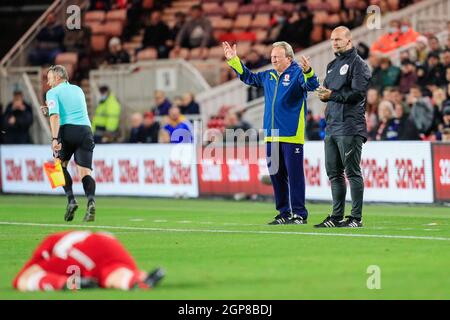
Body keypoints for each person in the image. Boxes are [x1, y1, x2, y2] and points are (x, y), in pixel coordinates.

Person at [223, 40, 319, 225]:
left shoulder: (298, 73)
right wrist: (234, 60)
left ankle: (299, 214)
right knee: (276, 175)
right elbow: (248, 77)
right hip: (271, 134)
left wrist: (309, 72)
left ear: (289, 58)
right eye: (272, 56)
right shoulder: (269, 76)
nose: (273, 60)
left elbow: (312, 86)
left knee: (295, 175)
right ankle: (284, 213)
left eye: (277, 57)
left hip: (291, 134)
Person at [315, 26, 371, 228]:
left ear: (349, 40)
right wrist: (324, 96)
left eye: (338, 39)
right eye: (332, 39)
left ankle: (356, 218)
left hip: (350, 126)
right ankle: (336, 216)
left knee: (352, 172)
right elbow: (331, 94)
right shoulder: (331, 65)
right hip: (332, 126)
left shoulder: (359, 65)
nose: (334, 43)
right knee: (334, 173)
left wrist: (332, 95)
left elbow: (357, 94)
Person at [13, 230, 165, 291]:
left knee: (26, 280)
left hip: (79, 250)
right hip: (109, 241)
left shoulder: (50, 244)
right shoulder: (68, 235)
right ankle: (137, 279)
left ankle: (70, 283)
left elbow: (22, 277)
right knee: (112, 273)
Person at [40, 65, 97, 222]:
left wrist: (54, 139)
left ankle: (71, 200)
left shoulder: (52, 92)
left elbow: (56, 117)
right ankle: (91, 201)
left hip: (67, 131)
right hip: (85, 131)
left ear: (58, 77)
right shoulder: (78, 89)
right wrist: (48, 111)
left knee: (57, 166)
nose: (48, 81)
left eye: (50, 78)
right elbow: (71, 109)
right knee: (85, 172)